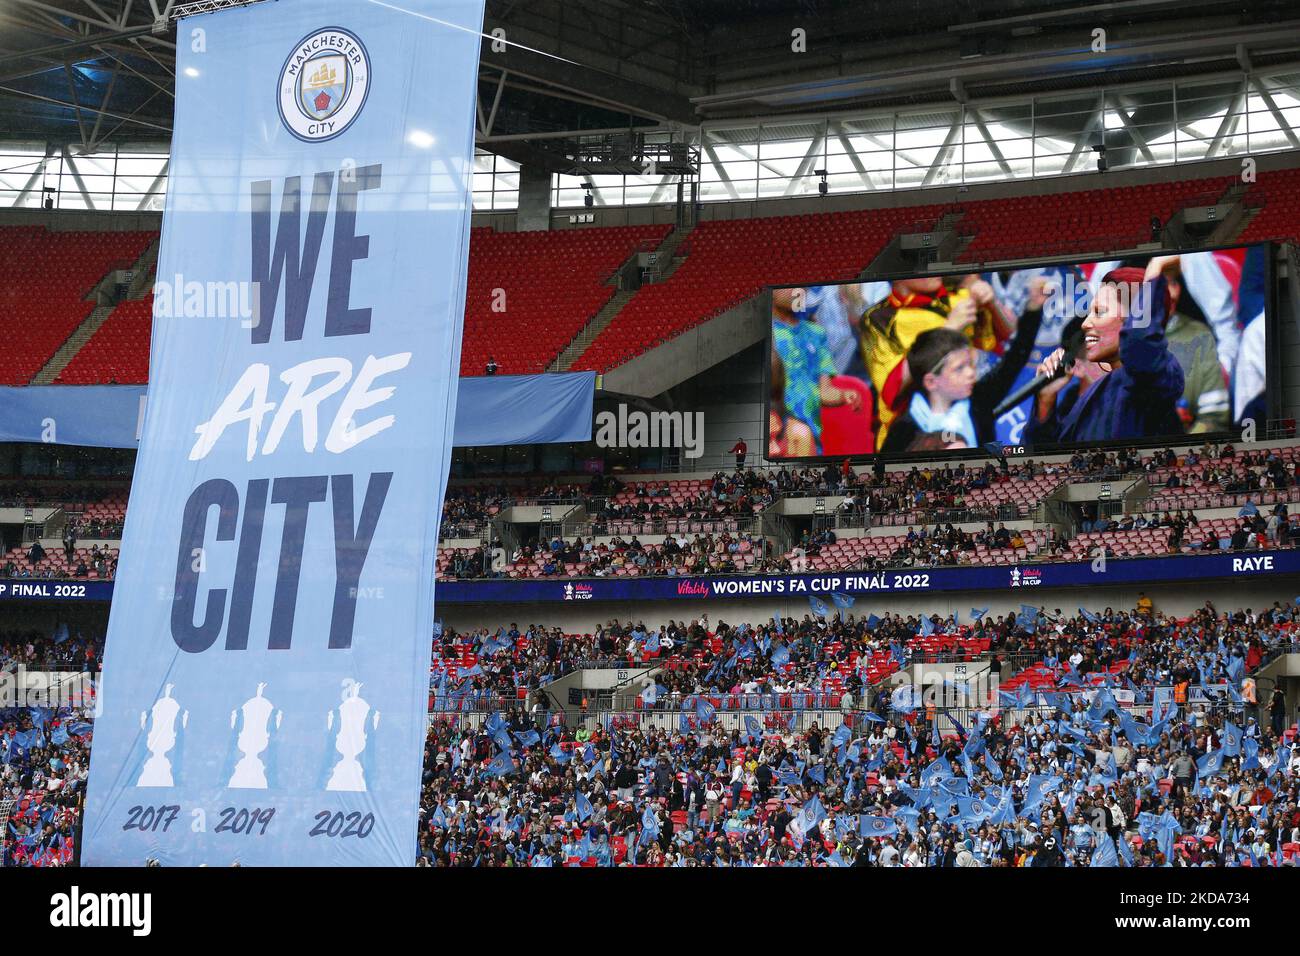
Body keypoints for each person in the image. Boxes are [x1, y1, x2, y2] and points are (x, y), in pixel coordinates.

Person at [880, 278, 1044, 454]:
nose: (971, 373)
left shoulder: (978, 401)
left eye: (969, 364)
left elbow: (1014, 360)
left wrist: (1034, 308)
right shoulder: (904, 429)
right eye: (959, 368)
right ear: (931, 382)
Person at [1026, 271, 1184, 445]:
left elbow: (1141, 349)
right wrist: (1045, 401)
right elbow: (1048, 460)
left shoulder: (1157, 372)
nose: (1085, 323)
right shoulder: (1094, 393)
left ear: (1136, 318)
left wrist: (1157, 267)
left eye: (1099, 312)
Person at [859, 275, 1010, 447]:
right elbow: (892, 391)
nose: (933, 269)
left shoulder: (961, 297)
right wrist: (949, 328)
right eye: (920, 263)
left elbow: (1008, 342)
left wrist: (992, 304)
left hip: (968, 420)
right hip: (912, 437)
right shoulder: (877, 319)